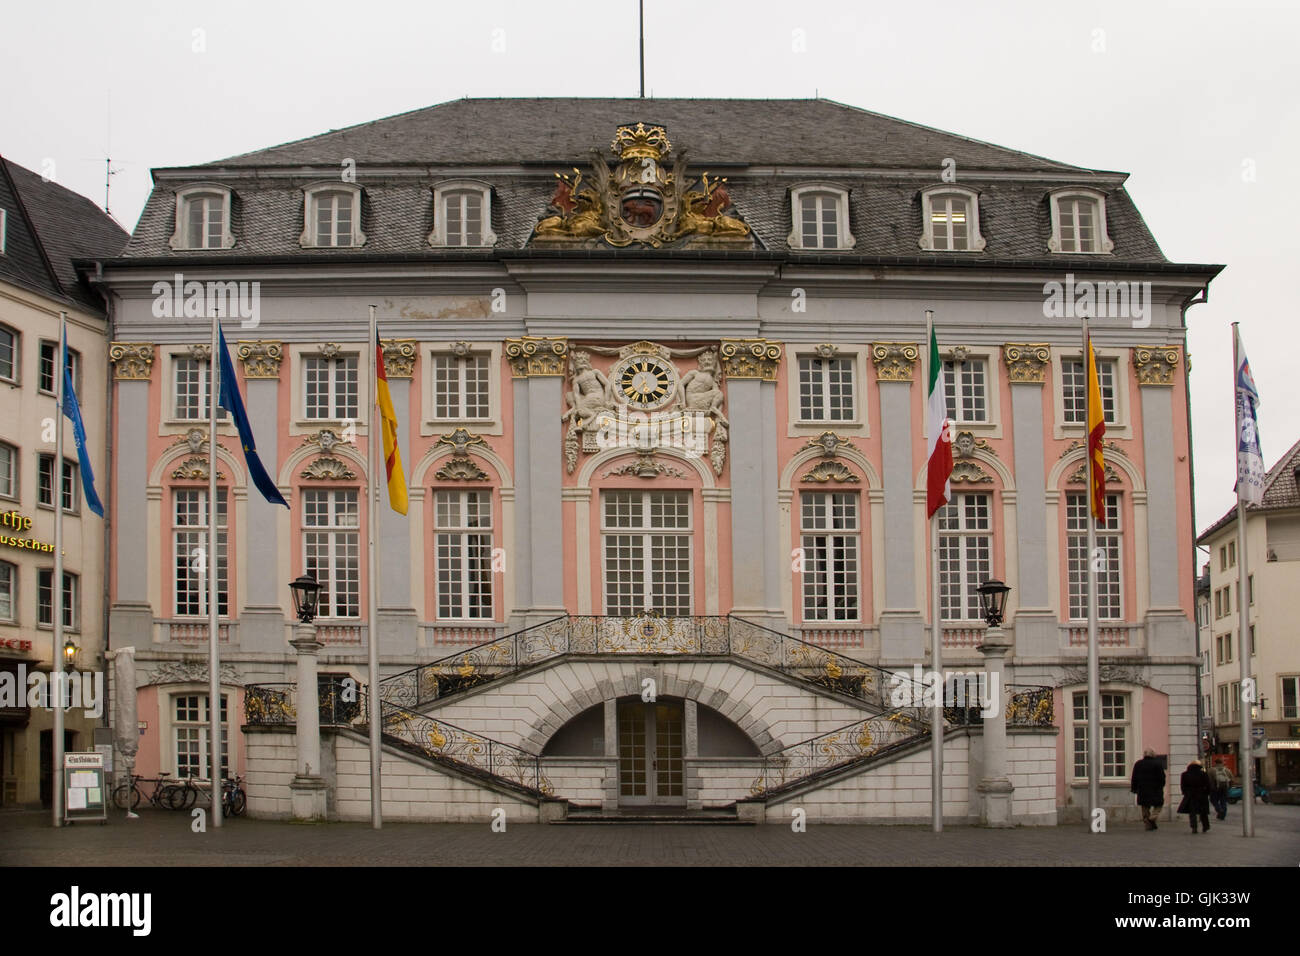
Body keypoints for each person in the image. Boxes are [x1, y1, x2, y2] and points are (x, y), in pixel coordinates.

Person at [1130, 749, 1166, 830]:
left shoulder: (1138, 764)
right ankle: (1152, 819)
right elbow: (1162, 777)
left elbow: (1134, 777)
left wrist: (1134, 788)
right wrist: (1161, 785)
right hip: (1156, 789)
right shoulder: (1157, 764)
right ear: (1153, 755)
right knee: (1158, 806)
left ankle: (1147, 823)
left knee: (1145, 807)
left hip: (1143, 789)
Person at [1178, 760, 1212, 833]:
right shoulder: (1203, 774)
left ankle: (1194, 827)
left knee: (1192, 812)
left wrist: (1185, 793)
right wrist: (1207, 793)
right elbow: (1208, 784)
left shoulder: (1184, 774)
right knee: (1203, 812)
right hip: (1202, 794)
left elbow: (1182, 786)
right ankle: (1205, 826)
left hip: (1190, 794)